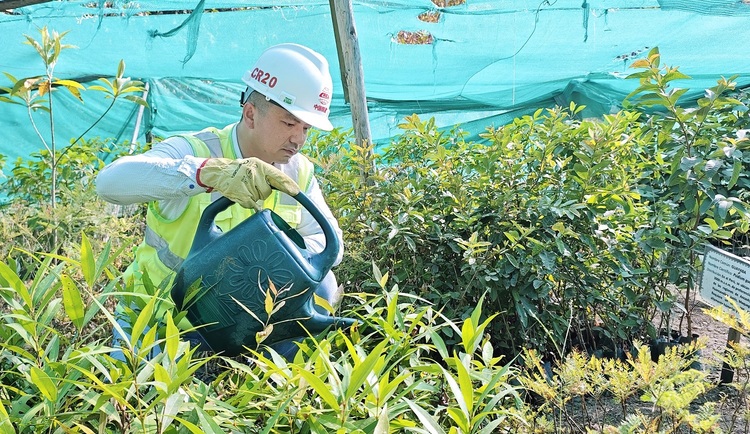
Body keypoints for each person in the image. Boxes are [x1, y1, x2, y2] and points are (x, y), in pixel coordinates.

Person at [95, 43, 343, 361]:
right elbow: (110, 183)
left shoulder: (298, 172)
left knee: (324, 285)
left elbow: (330, 247)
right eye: (289, 123)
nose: (298, 139)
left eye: (306, 128)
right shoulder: (195, 151)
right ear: (251, 114)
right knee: (139, 400)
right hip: (159, 321)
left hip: (237, 328)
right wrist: (206, 174)